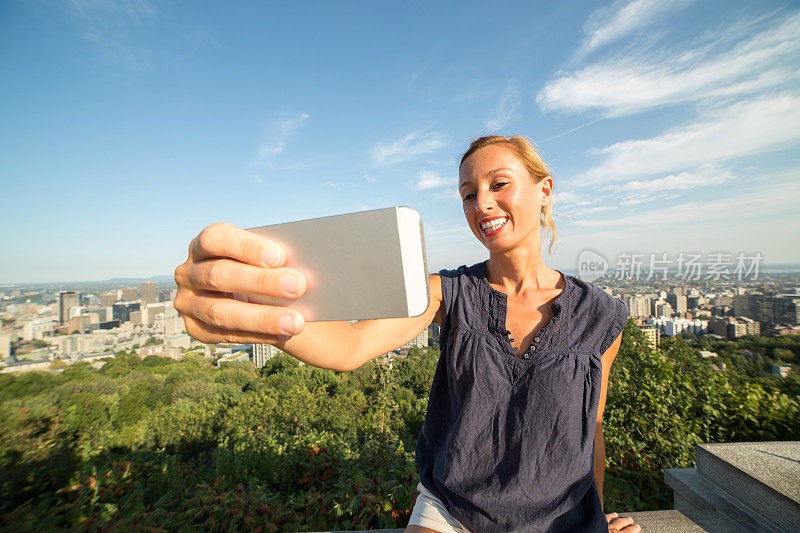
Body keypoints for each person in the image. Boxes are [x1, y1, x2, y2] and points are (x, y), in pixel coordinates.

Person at [174, 135, 642, 533]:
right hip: (452, 511)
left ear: (545, 190)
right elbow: (352, 345)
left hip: (561, 520)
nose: (481, 204)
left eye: (499, 184)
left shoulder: (601, 316)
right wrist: (266, 311)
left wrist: (597, 515)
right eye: (467, 193)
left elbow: (590, 430)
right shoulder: (447, 292)